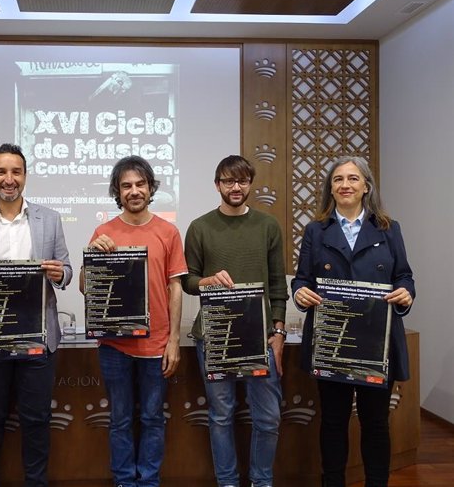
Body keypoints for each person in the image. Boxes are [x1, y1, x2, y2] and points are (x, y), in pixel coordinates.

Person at [0, 143, 72, 487]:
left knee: (36, 420)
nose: (9, 179)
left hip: (37, 338)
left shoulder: (49, 219)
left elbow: (66, 270)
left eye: (16, 172)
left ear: (25, 176)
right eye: (1, 172)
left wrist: (58, 274)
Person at [291, 156, 415, 487]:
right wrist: (300, 292)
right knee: (333, 422)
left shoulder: (388, 228)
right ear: (330, 189)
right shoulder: (316, 230)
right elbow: (302, 280)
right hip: (333, 341)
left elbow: (404, 277)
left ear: (366, 187)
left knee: (376, 423)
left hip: (376, 344)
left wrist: (405, 293)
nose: (345, 184)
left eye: (353, 179)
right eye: (337, 179)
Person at [80, 155, 187, 487]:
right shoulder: (104, 231)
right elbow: (86, 286)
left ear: (151, 187)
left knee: (153, 420)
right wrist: (93, 256)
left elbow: (175, 288)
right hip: (115, 345)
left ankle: (149, 481)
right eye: (126, 185)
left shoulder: (168, 232)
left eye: (140, 184)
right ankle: (125, 481)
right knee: (120, 420)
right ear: (117, 191)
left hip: (157, 346)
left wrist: (173, 341)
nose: (134, 191)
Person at [181, 155, 288, 487]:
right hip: (214, 335)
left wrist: (279, 330)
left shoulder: (268, 226)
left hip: (260, 336)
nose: (236, 187)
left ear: (250, 184)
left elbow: (277, 283)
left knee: (268, 418)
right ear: (217, 185)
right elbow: (188, 281)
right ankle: (227, 482)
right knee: (221, 416)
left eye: (242, 180)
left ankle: (261, 481)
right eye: (228, 181)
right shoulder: (200, 227)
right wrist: (209, 281)